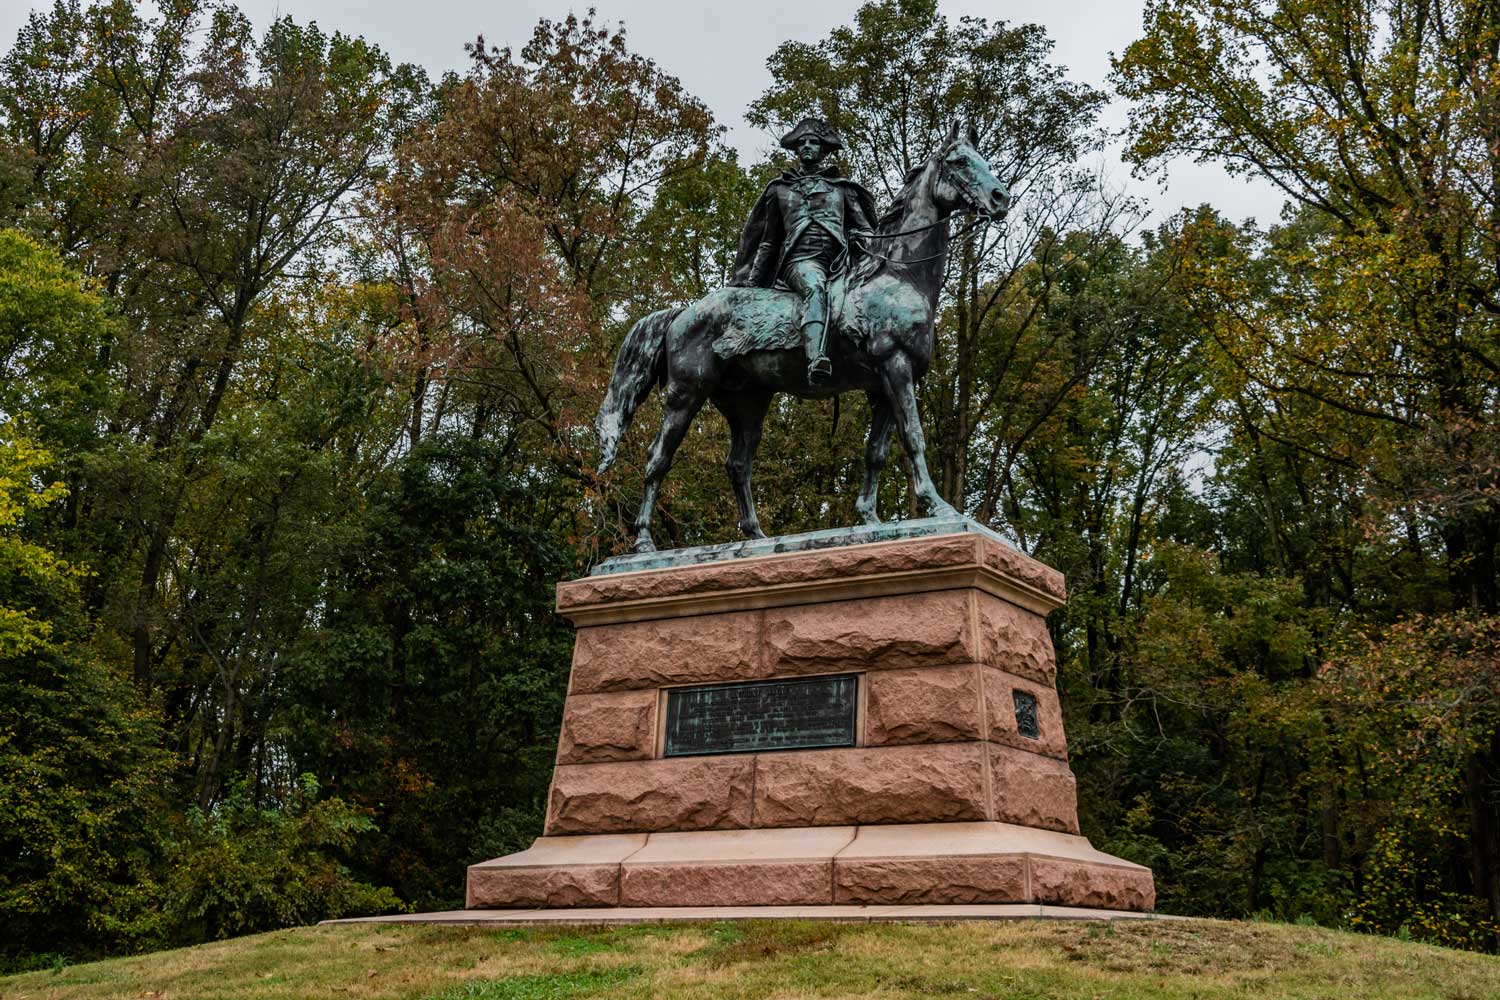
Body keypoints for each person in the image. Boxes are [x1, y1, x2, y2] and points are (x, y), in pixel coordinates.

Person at [731, 117, 877, 385]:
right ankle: (815, 358)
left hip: (841, 264)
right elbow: (768, 241)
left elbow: (866, 229)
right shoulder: (779, 190)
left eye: (814, 142)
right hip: (800, 263)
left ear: (823, 150)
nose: (808, 146)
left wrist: (872, 249)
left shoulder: (843, 189)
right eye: (802, 143)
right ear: (796, 150)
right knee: (814, 286)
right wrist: (752, 283)